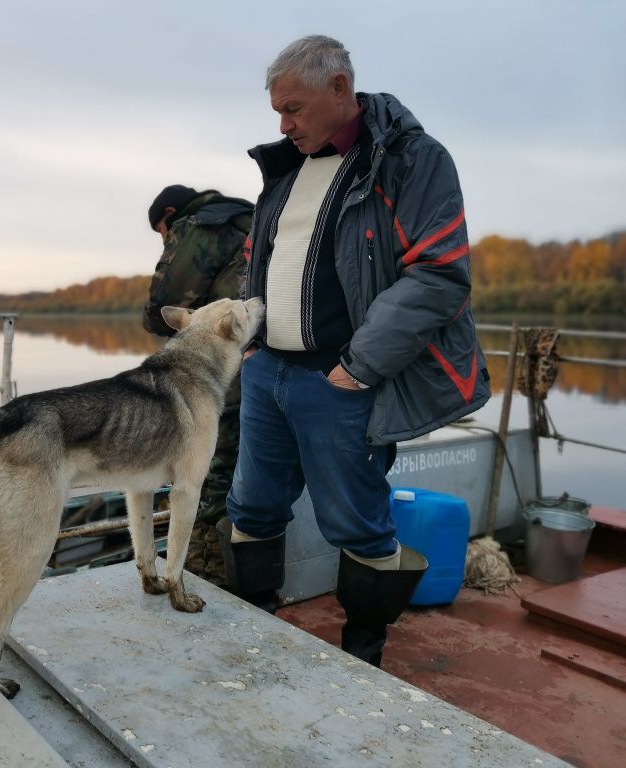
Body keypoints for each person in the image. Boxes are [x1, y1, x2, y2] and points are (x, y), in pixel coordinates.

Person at [221, 35, 490, 667]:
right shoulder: (287, 169)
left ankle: (362, 659)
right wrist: (252, 348)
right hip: (267, 373)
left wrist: (356, 368)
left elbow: (439, 273)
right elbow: (260, 262)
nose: (283, 127)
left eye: (293, 109)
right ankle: (251, 638)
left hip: (340, 381)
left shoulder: (413, 160)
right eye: (277, 113)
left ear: (339, 88)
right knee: (251, 508)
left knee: (359, 524)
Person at [143, 184, 254, 586]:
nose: (165, 241)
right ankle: (246, 568)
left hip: (222, 368)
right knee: (251, 467)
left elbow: (162, 303)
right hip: (270, 359)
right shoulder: (251, 218)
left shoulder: (199, 226)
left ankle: (206, 572)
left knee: (207, 469)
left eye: (162, 232)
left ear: (170, 215)